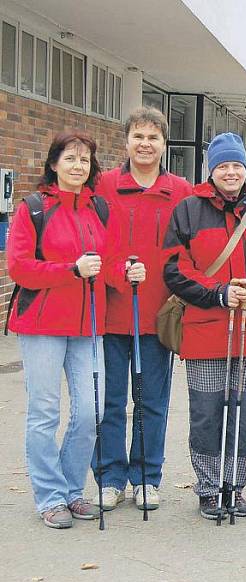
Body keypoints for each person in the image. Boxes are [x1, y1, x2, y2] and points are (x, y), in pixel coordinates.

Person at [163, 132, 246, 520]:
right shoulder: (187, 211)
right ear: (211, 170)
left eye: (236, 165)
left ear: (245, 169)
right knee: (207, 414)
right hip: (205, 331)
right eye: (223, 165)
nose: (230, 172)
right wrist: (218, 292)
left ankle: (235, 484)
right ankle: (209, 488)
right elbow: (175, 269)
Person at [92, 106, 192, 511]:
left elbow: (191, 247)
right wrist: (118, 273)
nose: (145, 144)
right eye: (138, 136)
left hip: (158, 314)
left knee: (152, 401)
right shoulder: (104, 186)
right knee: (112, 399)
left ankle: (147, 476)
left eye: (153, 137)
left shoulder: (181, 190)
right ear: (126, 141)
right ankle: (111, 475)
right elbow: (93, 240)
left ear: (164, 144)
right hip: (113, 310)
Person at [6, 131, 108, 528]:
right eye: (70, 159)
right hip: (42, 325)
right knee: (44, 413)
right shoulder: (32, 208)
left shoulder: (98, 209)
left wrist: (126, 270)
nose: (77, 166)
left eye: (84, 160)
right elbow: (20, 268)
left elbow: (109, 260)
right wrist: (70, 270)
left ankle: (71, 489)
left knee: (90, 412)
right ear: (54, 164)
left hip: (89, 325)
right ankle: (50, 496)